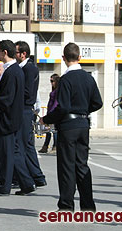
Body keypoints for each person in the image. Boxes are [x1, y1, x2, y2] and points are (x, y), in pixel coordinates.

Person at [42, 42, 103, 211]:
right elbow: (98, 102)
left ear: (63, 58)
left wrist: (47, 118)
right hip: (83, 124)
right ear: (80, 57)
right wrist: (84, 110)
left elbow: (63, 107)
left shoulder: (65, 79)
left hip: (68, 126)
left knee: (67, 166)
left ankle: (66, 205)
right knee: (82, 165)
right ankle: (88, 206)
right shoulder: (88, 77)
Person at [0, 40, 35, 196]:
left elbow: (6, 99)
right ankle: (26, 183)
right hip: (13, 118)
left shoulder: (11, 72)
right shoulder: (16, 70)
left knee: (5, 154)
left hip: (7, 119)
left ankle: (4, 186)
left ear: (4, 52)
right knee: (14, 152)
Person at [15, 41, 47, 187]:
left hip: (24, 110)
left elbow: (27, 93)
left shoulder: (29, 68)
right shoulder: (25, 68)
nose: (14, 55)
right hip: (24, 110)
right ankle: (37, 176)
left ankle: (27, 178)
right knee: (27, 146)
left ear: (23, 54)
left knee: (21, 145)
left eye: (16, 52)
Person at [39, 74, 59, 153]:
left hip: (53, 112)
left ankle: (55, 146)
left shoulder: (57, 91)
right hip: (49, 111)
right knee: (48, 130)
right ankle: (45, 146)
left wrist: (51, 112)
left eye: (52, 81)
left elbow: (55, 103)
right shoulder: (53, 90)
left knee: (53, 131)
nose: (51, 83)